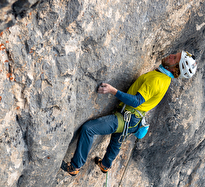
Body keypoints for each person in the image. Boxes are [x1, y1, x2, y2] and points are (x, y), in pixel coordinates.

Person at [62, 51, 197, 176]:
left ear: (174, 69)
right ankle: (105, 165)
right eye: (175, 54)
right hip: (133, 120)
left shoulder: (157, 80)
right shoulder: (164, 78)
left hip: (127, 117)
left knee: (89, 129)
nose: (170, 55)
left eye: (174, 58)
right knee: (116, 141)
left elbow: (136, 101)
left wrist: (112, 90)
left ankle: (75, 166)